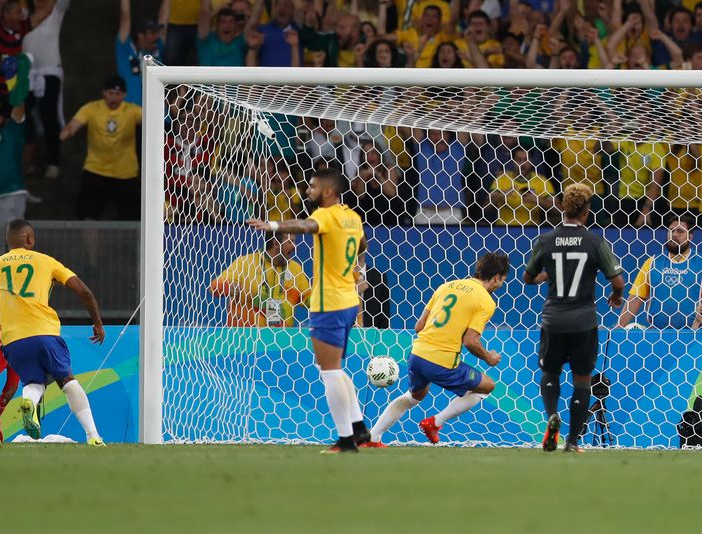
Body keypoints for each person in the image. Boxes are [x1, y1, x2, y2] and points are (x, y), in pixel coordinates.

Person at [247, 167, 370, 454]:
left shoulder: (324, 215)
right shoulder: (352, 217)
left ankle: (345, 440)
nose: (308, 191)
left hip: (328, 304)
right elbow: (362, 245)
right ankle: (359, 427)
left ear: (328, 191)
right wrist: (356, 271)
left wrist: (274, 226)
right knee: (333, 368)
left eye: (313, 186)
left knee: (329, 372)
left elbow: (305, 227)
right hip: (350, 302)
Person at [0, 219, 106, 446]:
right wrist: (97, 322)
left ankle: (29, 403)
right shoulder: (46, 262)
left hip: (13, 340)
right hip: (44, 332)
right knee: (66, 380)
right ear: (29, 238)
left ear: (8, 240)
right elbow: (84, 291)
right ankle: (93, 435)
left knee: (33, 381)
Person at [364, 252, 509, 448]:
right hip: (442, 361)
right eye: (503, 279)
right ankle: (435, 423)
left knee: (413, 397)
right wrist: (488, 357)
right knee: (488, 386)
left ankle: (373, 437)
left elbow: (419, 326)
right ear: (498, 277)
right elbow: (471, 341)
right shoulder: (485, 300)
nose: (502, 284)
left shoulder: (445, 286)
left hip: (417, 355)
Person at [524, 183, 625, 453]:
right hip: (583, 321)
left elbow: (528, 277)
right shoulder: (595, 241)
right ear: (587, 211)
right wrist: (616, 296)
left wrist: (549, 275)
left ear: (563, 208)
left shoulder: (546, 240)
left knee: (550, 372)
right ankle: (572, 441)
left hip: (553, 318)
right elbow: (618, 280)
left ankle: (551, 420)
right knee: (582, 380)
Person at [60, 75, 142, 221]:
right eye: (110, 93)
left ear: (124, 95)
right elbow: (75, 123)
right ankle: (91, 245)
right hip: (96, 170)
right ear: (104, 92)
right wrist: (68, 130)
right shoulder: (91, 108)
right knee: (87, 217)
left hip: (126, 173)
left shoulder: (132, 110)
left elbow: (154, 120)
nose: (114, 98)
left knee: (132, 220)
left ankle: (131, 245)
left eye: (117, 94)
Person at [618, 215, 702, 329]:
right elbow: (636, 298)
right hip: (657, 335)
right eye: (671, 230)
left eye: (680, 231)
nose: (674, 234)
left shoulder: (700, 263)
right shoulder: (652, 262)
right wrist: (619, 327)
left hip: (693, 334)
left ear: (690, 236)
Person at [210, 232, 310, 328]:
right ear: (276, 243)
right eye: (290, 242)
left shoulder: (295, 268)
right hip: (245, 337)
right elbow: (215, 287)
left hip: (282, 337)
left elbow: (309, 299)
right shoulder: (245, 263)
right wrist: (227, 287)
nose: (294, 246)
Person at [23, 0, 71, 179]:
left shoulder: (56, 11)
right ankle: (27, 161)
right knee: (24, 117)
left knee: (49, 115)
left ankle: (53, 162)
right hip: (26, 72)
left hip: (50, 71)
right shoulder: (22, 14)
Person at [116, 0, 168, 107]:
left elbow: (164, 18)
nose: (157, 36)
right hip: (133, 114)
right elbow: (125, 16)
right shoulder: (125, 50)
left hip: (159, 114)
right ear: (140, 36)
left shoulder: (157, 50)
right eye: (152, 33)